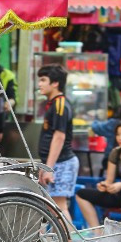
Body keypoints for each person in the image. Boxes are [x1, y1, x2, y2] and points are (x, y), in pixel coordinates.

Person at [37, 64, 79, 224]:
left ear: (55, 83)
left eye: (43, 80)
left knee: (58, 207)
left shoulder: (60, 104)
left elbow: (59, 137)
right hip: (54, 162)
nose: (39, 84)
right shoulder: (53, 103)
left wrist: (50, 168)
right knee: (51, 208)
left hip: (62, 162)